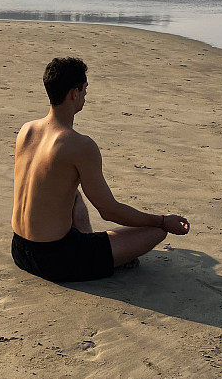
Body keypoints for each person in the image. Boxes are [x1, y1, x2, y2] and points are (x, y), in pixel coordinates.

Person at [11, 57, 190, 283]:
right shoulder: (80, 145)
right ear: (74, 93)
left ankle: (88, 241)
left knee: (72, 193)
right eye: (84, 90)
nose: (85, 96)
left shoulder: (26, 131)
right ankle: (98, 252)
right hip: (56, 259)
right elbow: (108, 211)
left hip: (19, 249)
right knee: (155, 232)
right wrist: (162, 220)